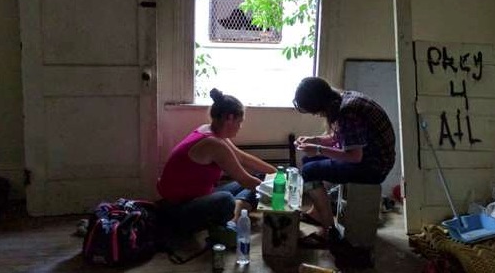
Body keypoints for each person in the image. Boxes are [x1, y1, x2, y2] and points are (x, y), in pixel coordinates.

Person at [157, 88, 276, 239]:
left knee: (261, 178)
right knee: (226, 199)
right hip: (177, 209)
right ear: (230, 118)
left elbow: (241, 157)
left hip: (199, 196)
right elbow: (244, 179)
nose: (240, 127)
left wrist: (275, 173)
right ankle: (232, 220)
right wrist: (279, 193)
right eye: (240, 122)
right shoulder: (213, 144)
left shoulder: (213, 131)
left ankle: (234, 218)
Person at [293, 76, 396, 243]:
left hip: (373, 167)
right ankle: (317, 212)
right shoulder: (342, 99)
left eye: (314, 111)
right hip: (370, 157)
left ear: (319, 105)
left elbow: (354, 156)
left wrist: (318, 148)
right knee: (308, 161)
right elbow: (341, 138)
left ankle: (328, 230)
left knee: (309, 171)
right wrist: (315, 140)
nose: (316, 115)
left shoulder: (348, 111)